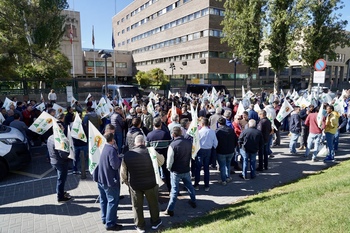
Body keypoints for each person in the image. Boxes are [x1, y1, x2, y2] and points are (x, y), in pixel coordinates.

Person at [121, 135, 163, 232]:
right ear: (144, 142)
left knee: (137, 206)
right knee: (153, 204)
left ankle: (140, 226)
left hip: (135, 185)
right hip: (151, 183)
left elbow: (123, 173)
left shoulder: (127, 155)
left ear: (135, 143)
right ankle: (155, 222)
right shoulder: (151, 151)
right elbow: (161, 162)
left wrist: (127, 182)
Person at [92, 133, 123, 231]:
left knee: (103, 200)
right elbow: (115, 165)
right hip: (109, 180)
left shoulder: (100, 147)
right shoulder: (111, 150)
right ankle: (110, 224)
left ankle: (104, 218)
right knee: (112, 201)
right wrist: (120, 158)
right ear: (112, 140)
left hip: (100, 178)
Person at [165, 127, 196, 216]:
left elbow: (169, 160)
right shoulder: (189, 142)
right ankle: (193, 201)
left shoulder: (173, 145)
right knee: (190, 186)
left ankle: (170, 209)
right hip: (186, 168)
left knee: (174, 190)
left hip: (176, 171)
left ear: (173, 135)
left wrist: (169, 168)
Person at [47, 125, 72, 203]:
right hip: (61, 163)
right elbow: (63, 155)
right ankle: (60, 197)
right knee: (61, 179)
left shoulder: (50, 137)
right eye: (62, 128)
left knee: (59, 178)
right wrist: (69, 155)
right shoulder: (60, 140)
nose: (63, 129)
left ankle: (61, 192)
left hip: (53, 161)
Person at [194, 118, 218, 191]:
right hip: (208, 150)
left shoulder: (199, 132)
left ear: (202, 124)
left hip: (200, 150)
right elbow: (215, 143)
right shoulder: (212, 132)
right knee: (206, 168)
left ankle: (197, 184)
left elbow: (196, 143)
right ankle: (206, 185)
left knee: (198, 168)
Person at [215, 117, 237, 185]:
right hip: (230, 150)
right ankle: (228, 177)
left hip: (221, 151)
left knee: (222, 166)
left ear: (219, 123)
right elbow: (235, 139)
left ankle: (223, 180)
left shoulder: (217, 131)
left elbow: (215, 142)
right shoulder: (231, 130)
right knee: (228, 164)